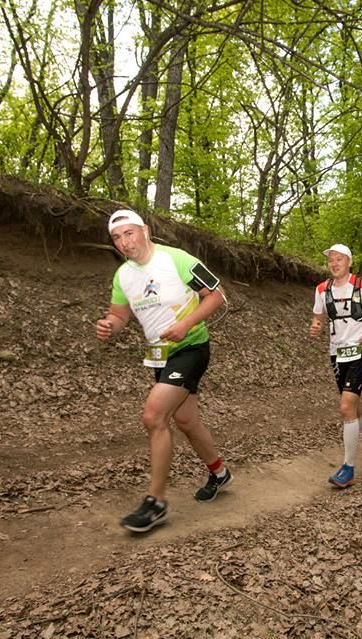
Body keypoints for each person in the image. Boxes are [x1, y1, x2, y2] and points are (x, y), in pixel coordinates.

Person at [95, 210, 232, 533]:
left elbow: (217, 295)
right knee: (186, 420)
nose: (124, 242)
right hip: (158, 357)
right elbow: (118, 316)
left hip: (191, 348)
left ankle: (155, 503)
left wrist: (186, 324)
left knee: (154, 416)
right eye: (117, 238)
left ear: (145, 230)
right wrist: (108, 327)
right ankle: (219, 472)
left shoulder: (177, 259)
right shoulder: (123, 276)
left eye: (129, 233)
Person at [310, 244, 362, 489]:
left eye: (339, 259)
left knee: (346, 407)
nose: (334, 263)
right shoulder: (322, 289)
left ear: (349, 262)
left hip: (360, 351)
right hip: (337, 353)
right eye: (331, 260)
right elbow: (318, 317)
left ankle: (348, 469)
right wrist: (315, 326)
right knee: (354, 407)